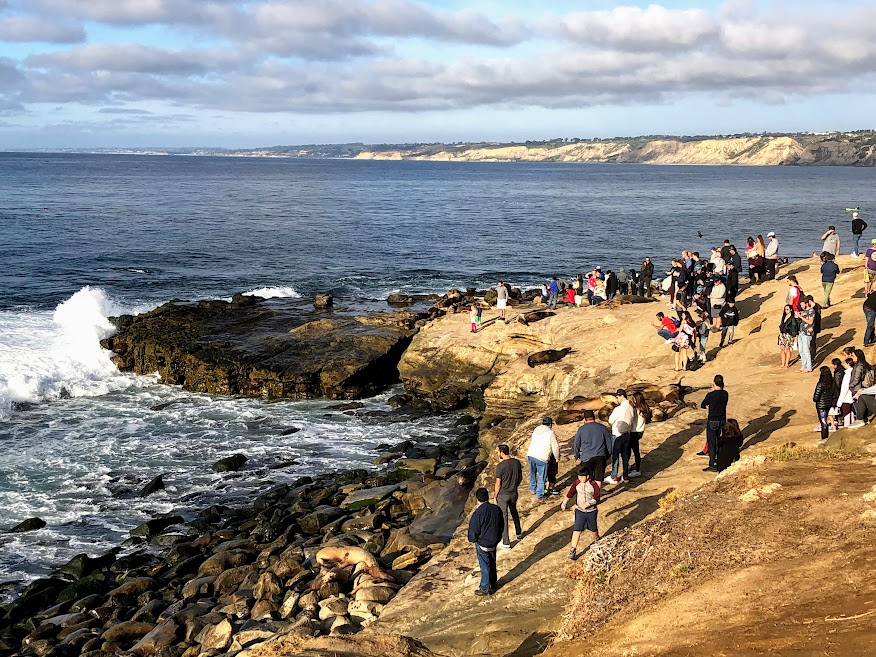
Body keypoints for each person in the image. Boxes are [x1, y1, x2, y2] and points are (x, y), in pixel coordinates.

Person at [467, 487, 503, 596]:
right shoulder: (496, 509)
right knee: (492, 562)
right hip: (494, 540)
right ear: (487, 497)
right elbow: (501, 524)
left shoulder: (478, 513)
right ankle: (493, 583)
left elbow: (473, 530)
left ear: (477, 498)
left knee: (484, 565)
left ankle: (484, 587)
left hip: (483, 543)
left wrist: (473, 540)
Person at [561, 465, 600, 561]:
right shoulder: (577, 483)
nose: (580, 478)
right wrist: (564, 503)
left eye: (582, 476)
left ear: (587, 476)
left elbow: (597, 498)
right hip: (580, 511)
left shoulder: (594, 484)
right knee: (577, 530)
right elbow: (570, 493)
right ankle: (572, 550)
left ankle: (597, 540)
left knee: (593, 529)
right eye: (579, 476)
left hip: (591, 511)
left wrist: (587, 504)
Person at [494, 444, 523, 549]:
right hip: (513, 492)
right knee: (514, 512)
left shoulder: (500, 466)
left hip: (503, 494)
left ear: (501, 453)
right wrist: (515, 486)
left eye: (498, 452)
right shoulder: (517, 463)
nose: (498, 454)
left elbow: (498, 483)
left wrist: (495, 496)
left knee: (504, 517)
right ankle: (519, 533)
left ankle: (506, 542)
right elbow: (520, 477)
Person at [572, 410, 611, 484]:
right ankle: (597, 494)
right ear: (594, 418)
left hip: (587, 457)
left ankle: (589, 494)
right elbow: (609, 443)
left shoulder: (581, 429)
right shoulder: (603, 428)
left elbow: (576, 444)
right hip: (600, 455)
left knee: (587, 478)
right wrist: (607, 455)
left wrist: (577, 456)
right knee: (598, 478)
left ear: (585, 419)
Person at [526, 417, 559, 500]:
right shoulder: (550, 433)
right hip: (542, 457)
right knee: (541, 477)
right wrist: (557, 457)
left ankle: (533, 489)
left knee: (533, 473)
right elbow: (555, 447)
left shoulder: (536, 429)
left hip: (531, 454)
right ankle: (539, 494)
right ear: (550, 425)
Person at [700, 374, 728, 472]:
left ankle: (712, 463)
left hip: (713, 420)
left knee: (712, 442)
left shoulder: (710, 395)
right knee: (719, 440)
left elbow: (703, 405)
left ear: (714, 383)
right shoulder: (725, 394)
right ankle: (720, 460)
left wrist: (708, 407)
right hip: (722, 420)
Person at [606, 389, 634, 484]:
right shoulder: (630, 408)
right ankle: (625, 476)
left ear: (621, 396)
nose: (617, 399)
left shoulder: (618, 409)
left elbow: (610, 420)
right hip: (627, 433)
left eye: (617, 397)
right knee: (625, 456)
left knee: (615, 456)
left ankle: (614, 476)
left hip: (617, 434)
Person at [629, 391, 651, 477]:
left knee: (631, 450)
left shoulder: (635, 410)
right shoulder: (645, 408)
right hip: (640, 431)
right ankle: (636, 467)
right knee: (635, 450)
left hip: (634, 431)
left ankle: (637, 469)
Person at [813, 366, 838, 441]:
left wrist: (816, 400)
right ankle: (825, 437)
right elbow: (835, 394)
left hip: (821, 405)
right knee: (825, 421)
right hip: (829, 404)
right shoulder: (832, 382)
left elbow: (816, 396)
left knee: (823, 422)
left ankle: (824, 438)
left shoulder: (820, 383)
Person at [797, 298, 815, 373]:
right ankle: (804, 366)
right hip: (801, 332)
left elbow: (810, 322)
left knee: (806, 350)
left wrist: (801, 317)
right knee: (801, 350)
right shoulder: (804, 311)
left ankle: (809, 367)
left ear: (807, 304)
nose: (801, 306)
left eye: (802, 304)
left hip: (807, 333)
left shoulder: (811, 311)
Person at [778, 304, 798, 369]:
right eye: (785, 309)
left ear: (790, 310)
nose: (786, 311)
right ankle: (783, 363)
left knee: (787, 348)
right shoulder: (784, 317)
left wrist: (794, 337)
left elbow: (794, 327)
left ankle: (786, 364)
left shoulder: (792, 318)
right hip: (782, 334)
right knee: (782, 348)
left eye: (787, 309)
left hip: (788, 334)